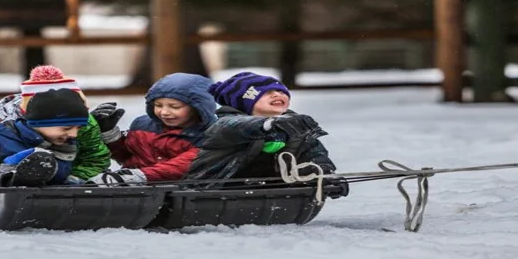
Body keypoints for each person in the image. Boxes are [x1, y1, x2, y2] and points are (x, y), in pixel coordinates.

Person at [185, 71, 348, 198]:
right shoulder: (224, 123)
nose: (277, 94)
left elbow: (315, 153)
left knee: (302, 140)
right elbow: (235, 126)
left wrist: (326, 176)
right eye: (266, 92)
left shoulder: (293, 125)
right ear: (243, 102)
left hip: (275, 194)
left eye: (280, 91)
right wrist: (267, 125)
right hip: (211, 191)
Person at [85, 72, 218, 185]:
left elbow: (180, 167)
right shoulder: (143, 125)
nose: (164, 112)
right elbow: (127, 155)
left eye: (174, 107)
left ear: (198, 108)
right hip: (134, 191)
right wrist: (109, 134)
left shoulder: (209, 135)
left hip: (179, 192)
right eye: (158, 105)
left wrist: (131, 177)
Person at [0, 65, 111, 182]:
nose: (73, 133)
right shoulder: (0, 128)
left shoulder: (85, 124)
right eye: (66, 127)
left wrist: (73, 179)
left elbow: (96, 158)